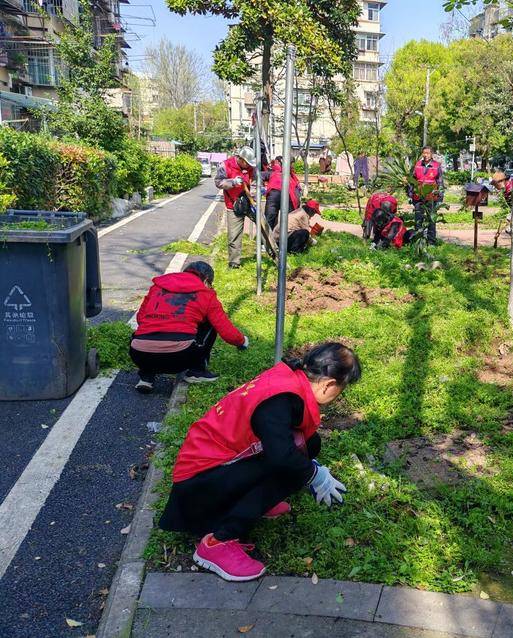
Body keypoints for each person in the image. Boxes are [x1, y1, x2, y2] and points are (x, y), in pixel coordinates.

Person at [158, 343, 361, 582]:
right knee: (289, 467)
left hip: (213, 470)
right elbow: (282, 457)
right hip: (197, 488)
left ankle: (251, 502)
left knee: (308, 445)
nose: (338, 396)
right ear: (329, 384)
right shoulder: (280, 399)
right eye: (341, 389)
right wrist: (314, 475)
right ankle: (218, 542)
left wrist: (309, 468)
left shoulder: (288, 378)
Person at [130, 262, 249, 393]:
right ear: (206, 280)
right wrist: (242, 341)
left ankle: (146, 377)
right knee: (210, 321)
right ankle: (197, 371)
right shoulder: (206, 294)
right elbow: (226, 330)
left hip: (139, 354)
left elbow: (140, 318)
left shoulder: (157, 287)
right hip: (179, 357)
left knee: (146, 330)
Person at [215, 147, 255, 269]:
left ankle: (274, 251)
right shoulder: (225, 165)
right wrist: (233, 182)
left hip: (250, 203)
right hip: (234, 205)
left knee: (264, 226)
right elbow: (218, 182)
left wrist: (256, 190)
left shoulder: (250, 167)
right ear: (241, 159)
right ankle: (234, 263)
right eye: (247, 163)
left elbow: (255, 179)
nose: (249, 166)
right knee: (234, 236)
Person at [410, 146, 444, 245]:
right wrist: (410, 194)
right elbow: (412, 181)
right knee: (418, 218)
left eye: (428, 153)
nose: (425, 155)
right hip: (418, 196)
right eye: (424, 153)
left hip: (431, 197)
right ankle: (418, 241)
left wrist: (440, 197)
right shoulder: (417, 165)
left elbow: (440, 182)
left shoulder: (436, 166)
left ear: (431, 154)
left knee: (431, 219)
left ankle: (431, 241)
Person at [263, 157, 302, 234]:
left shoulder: (290, 174)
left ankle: (281, 236)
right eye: (291, 164)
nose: (293, 166)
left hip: (284, 195)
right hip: (277, 194)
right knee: (271, 218)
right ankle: (268, 238)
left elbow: (296, 187)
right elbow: (261, 175)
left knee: (276, 218)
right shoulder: (275, 171)